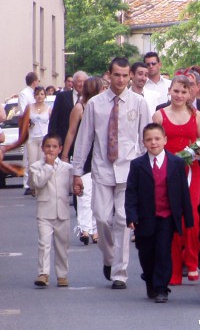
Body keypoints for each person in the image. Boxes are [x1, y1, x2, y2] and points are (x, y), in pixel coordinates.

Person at [72, 57, 150, 289]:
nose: (121, 80)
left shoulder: (138, 103)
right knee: (102, 217)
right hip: (103, 168)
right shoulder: (96, 104)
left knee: (124, 221)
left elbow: (145, 140)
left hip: (130, 169)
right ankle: (109, 258)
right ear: (109, 74)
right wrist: (77, 171)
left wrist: (147, 170)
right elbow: (84, 140)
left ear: (131, 76)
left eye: (125, 75)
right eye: (117, 75)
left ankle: (120, 273)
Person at [125, 123, 193, 303]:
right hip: (145, 217)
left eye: (157, 139)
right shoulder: (137, 165)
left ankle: (162, 288)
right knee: (146, 252)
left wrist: (188, 219)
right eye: (149, 140)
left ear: (165, 140)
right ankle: (150, 281)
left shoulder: (176, 163)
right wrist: (131, 216)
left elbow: (183, 192)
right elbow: (131, 192)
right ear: (143, 143)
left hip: (167, 217)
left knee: (163, 251)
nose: (153, 143)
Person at [152, 75, 200, 285]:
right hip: (168, 173)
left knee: (192, 216)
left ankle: (192, 261)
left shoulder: (197, 115)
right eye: (176, 91)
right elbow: (154, 144)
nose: (179, 95)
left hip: (191, 172)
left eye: (184, 91)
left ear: (190, 93)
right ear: (170, 91)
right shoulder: (159, 115)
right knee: (171, 218)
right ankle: (174, 268)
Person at [61, 77, 103, 245]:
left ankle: (95, 229)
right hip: (84, 152)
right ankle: (84, 228)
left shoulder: (103, 106)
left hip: (99, 153)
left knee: (97, 194)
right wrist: (65, 155)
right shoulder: (79, 107)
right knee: (84, 192)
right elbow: (71, 132)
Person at [30, 132, 73, 288]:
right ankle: (43, 273)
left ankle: (62, 274)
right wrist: (48, 166)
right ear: (42, 148)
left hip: (62, 212)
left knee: (62, 245)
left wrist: (77, 189)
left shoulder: (67, 168)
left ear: (60, 149)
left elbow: (71, 188)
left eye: (54, 147)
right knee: (44, 244)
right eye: (47, 146)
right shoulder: (36, 167)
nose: (51, 150)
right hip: (44, 211)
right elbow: (37, 183)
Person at [49, 70, 88, 159]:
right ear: (73, 83)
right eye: (79, 81)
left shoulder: (90, 99)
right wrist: (53, 138)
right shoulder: (62, 96)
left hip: (82, 142)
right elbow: (54, 119)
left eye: (84, 82)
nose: (81, 84)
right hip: (63, 139)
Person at [26, 87, 52, 192]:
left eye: (41, 94)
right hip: (32, 138)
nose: (39, 96)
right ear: (34, 96)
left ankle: (42, 185)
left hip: (44, 139)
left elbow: (52, 124)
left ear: (45, 96)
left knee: (42, 162)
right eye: (37, 94)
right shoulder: (29, 108)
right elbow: (23, 123)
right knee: (32, 162)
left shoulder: (49, 108)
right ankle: (32, 185)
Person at [18, 72, 40, 195]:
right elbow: (23, 110)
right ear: (34, 81)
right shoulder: (24, 94)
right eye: (37, 81)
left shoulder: (34, 94)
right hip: (29, 128)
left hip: (39, 128)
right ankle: (27, 183)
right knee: (28, 157)